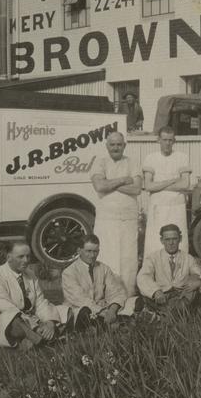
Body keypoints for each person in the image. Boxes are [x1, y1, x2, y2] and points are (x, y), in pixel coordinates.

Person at [0, 242, 76, 349]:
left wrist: (49, 322)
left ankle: (34, 339)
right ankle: (42, 339)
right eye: (21, 257)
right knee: (14, 319)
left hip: (30, 318)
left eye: (28, 256)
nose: (26, 260)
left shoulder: (30, 274)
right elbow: (6, 308)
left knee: (65, 311)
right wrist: (35, 326)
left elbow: (40, 302)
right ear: (9, 257)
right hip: (2, 321)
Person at [89, 131, 142, 299]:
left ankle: (127, 295)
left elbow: (137, 188)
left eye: (119, 144)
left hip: (128, 218)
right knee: (107, 256)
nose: (116, 147)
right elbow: (99, 186)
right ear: (107, 146)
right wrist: (122, 180)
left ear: (124, 145)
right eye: (112, 144)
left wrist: (110, 183)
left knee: (128, 258)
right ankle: (105, 295)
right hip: (107, 219)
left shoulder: (132, 162)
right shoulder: (100, 162)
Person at [60, 234, 136, 326]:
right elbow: (80, 299)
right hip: (80, 309)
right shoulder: (69, 272)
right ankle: (112, 324)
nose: (92, 255)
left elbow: (115, 291)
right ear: (79, 251)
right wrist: (103, 313)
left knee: (133, 301)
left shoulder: (104, 268)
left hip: (104, 309)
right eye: (88, 251)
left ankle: (110, 323)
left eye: (95, 251)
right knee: (85, 312)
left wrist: (112, 310)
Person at [136, 224, 201, 314]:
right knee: (175, 307)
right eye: (167, 239)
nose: (171, 243)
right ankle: (174, 312)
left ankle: (167, 312)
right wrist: (155, 291)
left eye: (174, 239)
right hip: (162, 296)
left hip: (181, 296)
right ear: (162, 240)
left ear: (180, 239)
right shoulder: (153, 258)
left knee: (194, 283)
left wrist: (198, 282)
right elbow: (143, 277)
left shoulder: (188, 258)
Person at [142, 126, 192, 256]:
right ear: (158, 140)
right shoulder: (150, 158)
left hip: (177, 207)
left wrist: (159, 186)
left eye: (170, 140)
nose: (167, 143)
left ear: (174, 141)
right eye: (164, 140)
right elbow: (148, 186)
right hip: (157, 208)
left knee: (178, 240)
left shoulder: (182, 157)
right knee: (156, 243)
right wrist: (172, 181)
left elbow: (185, 184)